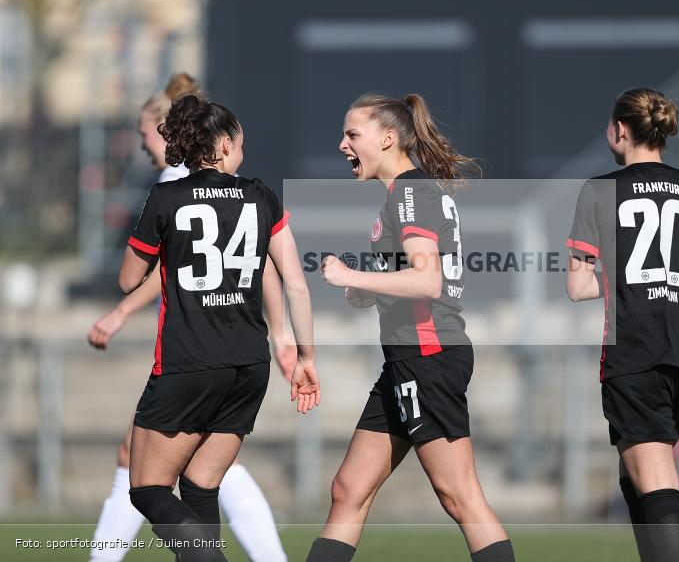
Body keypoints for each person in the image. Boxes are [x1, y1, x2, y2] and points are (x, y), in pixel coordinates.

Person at [88, 74, 294, 562]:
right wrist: (284, 336)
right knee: (202, 483)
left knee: (148, 484)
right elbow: (270, 270)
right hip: (248, 357)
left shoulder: (170, 191)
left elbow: (147, 274)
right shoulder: (256, 195)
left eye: (146, 134)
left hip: (190, 357)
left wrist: (119, 310)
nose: (145, 145)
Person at [306, 93, 514, 562]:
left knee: (460, 496)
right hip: (406, 359)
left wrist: (350, 275)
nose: (343, 144)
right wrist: (372, 290)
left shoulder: (410, 192)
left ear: (387, 138)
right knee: (348, 490)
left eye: (352, 134)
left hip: (428, 356)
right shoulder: (404, 195)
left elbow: (427, 278)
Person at [566, 87, 679, 562]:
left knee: (659, 487)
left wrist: (624, 278)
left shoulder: (598, 189)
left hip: (635, 355)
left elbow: (578, 286)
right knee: (635, 475)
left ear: (620, 130)